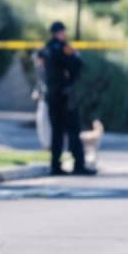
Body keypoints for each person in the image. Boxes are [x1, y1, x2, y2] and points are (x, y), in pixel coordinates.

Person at [37, 21, 96, 176]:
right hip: (65, 95)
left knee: (56, 132)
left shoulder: (45, 48)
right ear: (59, 33)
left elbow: (41, 65)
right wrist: (75, 55)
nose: (64, 34)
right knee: (73, 130)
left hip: (51, 94)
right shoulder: (65, 48)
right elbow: (76, 65)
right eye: (63, 32)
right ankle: (79, 165)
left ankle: (55, 165)